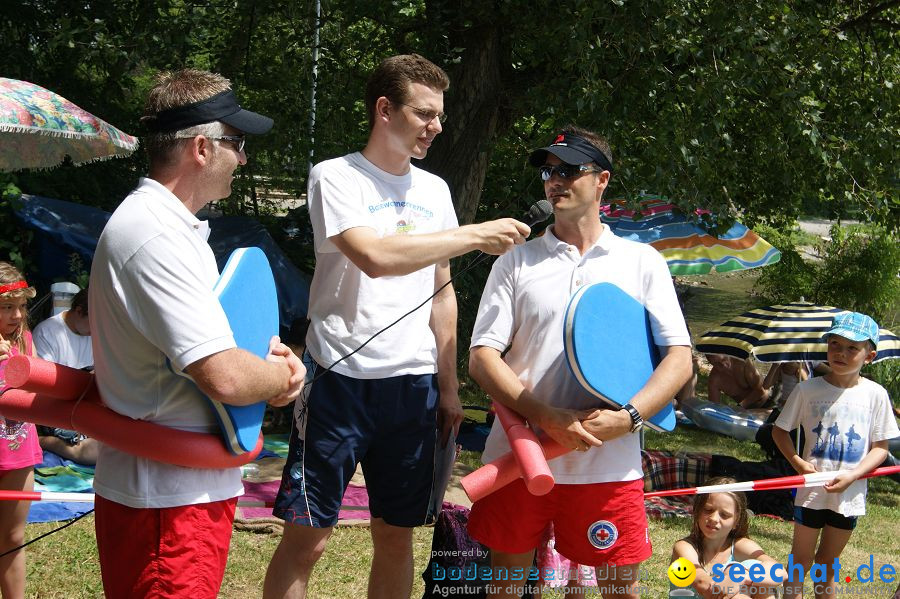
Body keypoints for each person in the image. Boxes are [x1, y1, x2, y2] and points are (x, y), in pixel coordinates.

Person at [263, 54, 530, 599]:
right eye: (425, 113)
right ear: (385, 110)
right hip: (336, 380)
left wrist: (449, 386)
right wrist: (474, 234)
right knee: (308, 537)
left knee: (396, 535)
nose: (437, 126)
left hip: (412, 387)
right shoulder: (335, 176)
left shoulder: (434, 191)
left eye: (440, 115)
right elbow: (375, 255)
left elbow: (441, 290)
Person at [88, 69, 306, 599]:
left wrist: (265, 361)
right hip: (165, 503)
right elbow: (225, 376)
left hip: (176, 492)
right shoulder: (156, 236)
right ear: (202, 148)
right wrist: (280, 374)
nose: (244, 158)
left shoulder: (166, 227)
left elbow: (219, 352)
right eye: (237, 144)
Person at [465, 126, 693, 599]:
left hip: (608, 464)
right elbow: (482, 358)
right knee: (503, 590)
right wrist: (545, 416)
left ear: (602, 180)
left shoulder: (641, 261)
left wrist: (628, 418)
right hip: (520, 457)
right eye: (549, 171)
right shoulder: (514, 262)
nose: (555, 180)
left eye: (569, 170)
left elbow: (679, 358)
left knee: (618, 592)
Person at [772, 312, 899, 599]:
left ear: (869, 356)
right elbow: (779, 432)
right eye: (835, 344)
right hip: (812, 493)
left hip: (849, 496)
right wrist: (799, 463)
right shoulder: (807, 390)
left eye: (852, 348)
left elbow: (881, 448)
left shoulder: (876, 395)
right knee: (799, 562)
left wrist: (853, 475)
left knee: (826, 566)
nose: (841, 353)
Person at [0, 262, 42, 599]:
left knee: (13, 537)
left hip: (19, 452)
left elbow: (38, 396)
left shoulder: (25, 341)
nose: (16, 315)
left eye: (22, 306)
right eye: (7, 307)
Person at [670, 478, 782, 599]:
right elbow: (703, 584)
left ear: (736, 521)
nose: (714, 518)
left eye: (724, 515)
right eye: (708, 510)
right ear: (697, 510)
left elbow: (780, 572)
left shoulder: (740, 545)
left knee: (755, 571)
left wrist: (743, 577)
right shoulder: (684, 547)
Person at [32, 288, 98, 464]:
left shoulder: (97, 335)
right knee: (93, 452)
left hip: (87, 407)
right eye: (94, 321)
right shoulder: (47, 332)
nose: (97, 328)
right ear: (78, 311)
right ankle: (42, 441)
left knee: (114, 445)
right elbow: (45, 388)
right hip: (57, 410)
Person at [706, 354, 771, 409]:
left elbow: (760, 391)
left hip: (768, 403)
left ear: (728, 354)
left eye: (724, 360)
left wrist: (738, 407)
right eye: (717, 364)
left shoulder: (743, 363)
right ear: (711, 363)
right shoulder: (714, 380)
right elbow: (713, 407)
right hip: (746, 411)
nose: (724, 365)